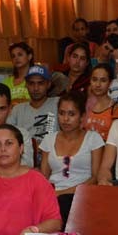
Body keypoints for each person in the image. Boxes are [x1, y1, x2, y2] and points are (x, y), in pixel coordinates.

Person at [40, 91, 105, 224]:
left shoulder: (93, 138)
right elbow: (43, 177)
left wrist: (63, 192)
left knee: (63, 202)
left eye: (71, 114)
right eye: (62, 113)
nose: (65, 119)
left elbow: (95, 178)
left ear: (82, 117)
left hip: (81, 196)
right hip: (53, 195)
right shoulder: (48, 139)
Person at [7, 64, 58, 148]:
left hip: (53, 156)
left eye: (40, 83)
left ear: (48, 84)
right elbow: (8, 137)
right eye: (31, 83)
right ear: (26, 85)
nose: (36, 88)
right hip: (26, 157)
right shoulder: (17, 110)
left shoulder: (58, 103)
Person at [84, 63, 118, 141]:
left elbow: (117, 140)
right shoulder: (83, 106)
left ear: (110, 83)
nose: (98, 84)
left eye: (103, 80)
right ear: (90, 81)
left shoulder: (117, 109)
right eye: (94, 79)